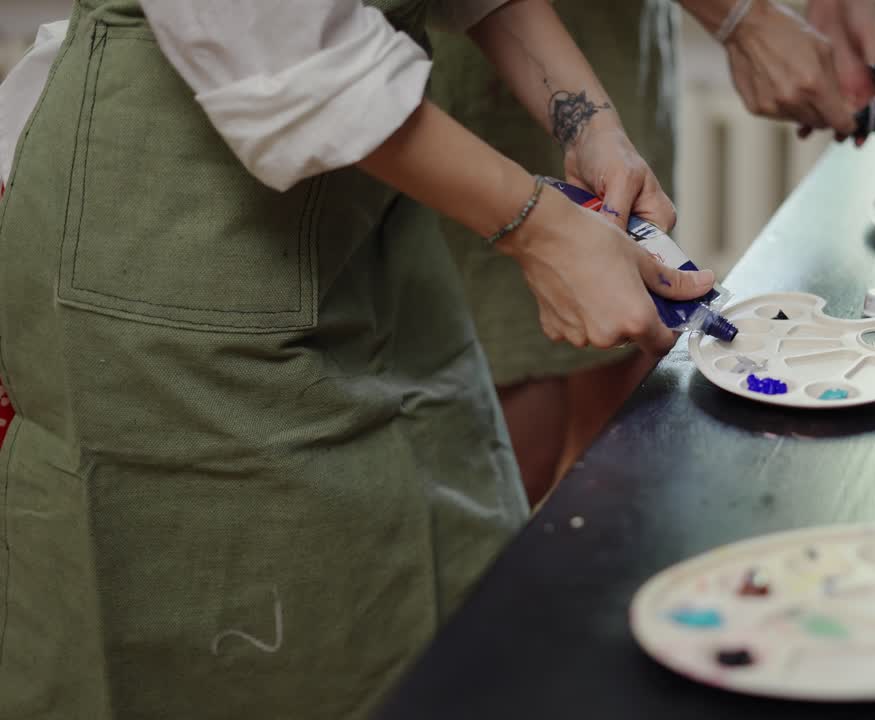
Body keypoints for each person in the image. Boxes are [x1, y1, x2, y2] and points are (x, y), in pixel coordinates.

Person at [0, 1, 713, 717]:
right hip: (173, 247)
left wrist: (593, 127)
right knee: (245, 648)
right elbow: (288, 49)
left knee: (461, 601)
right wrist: (540, 229)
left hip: (368, 223)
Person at [434, 0, 875, 505]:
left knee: (627, 434)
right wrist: (742, 17)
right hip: (460, 117)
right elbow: (348, 86)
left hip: (580, 58)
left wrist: (595, 130)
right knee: (519, 449)